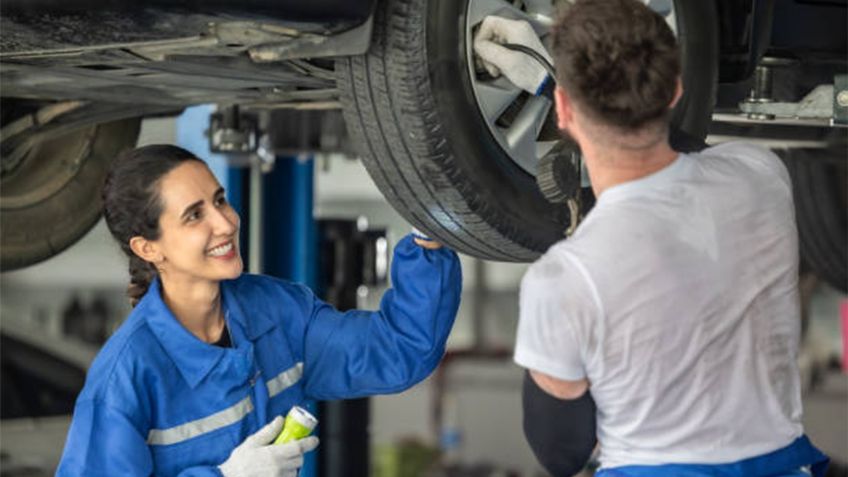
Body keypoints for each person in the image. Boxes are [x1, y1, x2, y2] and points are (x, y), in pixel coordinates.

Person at [473, 1, 830, 476]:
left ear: (561, 110)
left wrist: (549, 80)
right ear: (676, 89)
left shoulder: (565, 280)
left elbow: (561, 451)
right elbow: (683, 149)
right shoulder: (761, 177)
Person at [56, 145, 462, 477]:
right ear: (148, 248)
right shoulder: (124, 378)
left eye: (219, 200)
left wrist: (430, 234)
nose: (226, 222)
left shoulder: (273, 312)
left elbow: (398, 350)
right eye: (195, 215)